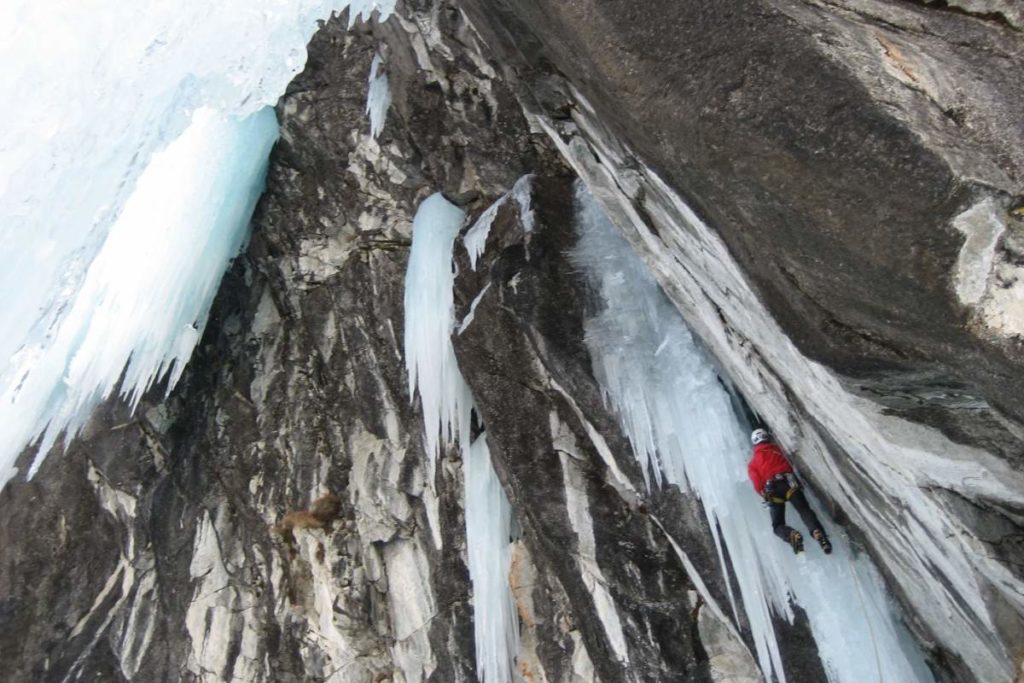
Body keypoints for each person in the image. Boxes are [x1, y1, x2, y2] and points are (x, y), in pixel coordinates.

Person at [748, 428, 832, 555]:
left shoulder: (752, 463)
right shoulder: (777, 449)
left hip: (772, 490)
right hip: (789, 483)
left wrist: (764, 494)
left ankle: (791, 534)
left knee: (777, 525)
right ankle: (817, 532)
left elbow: (757, 484)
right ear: (767, 438)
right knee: (804, 511)